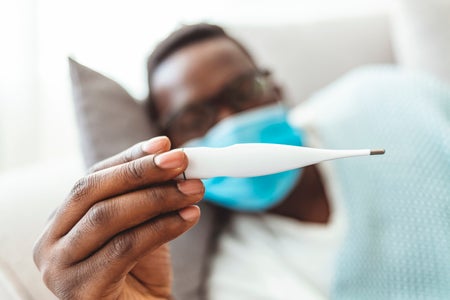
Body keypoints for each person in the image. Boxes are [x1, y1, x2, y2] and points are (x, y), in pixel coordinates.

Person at [33, 23, 450, 300]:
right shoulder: (244, 276)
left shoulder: (384, 94)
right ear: (174, 146)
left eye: (244, 90)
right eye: (195, 117)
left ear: (277, 89)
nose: (231, 119)